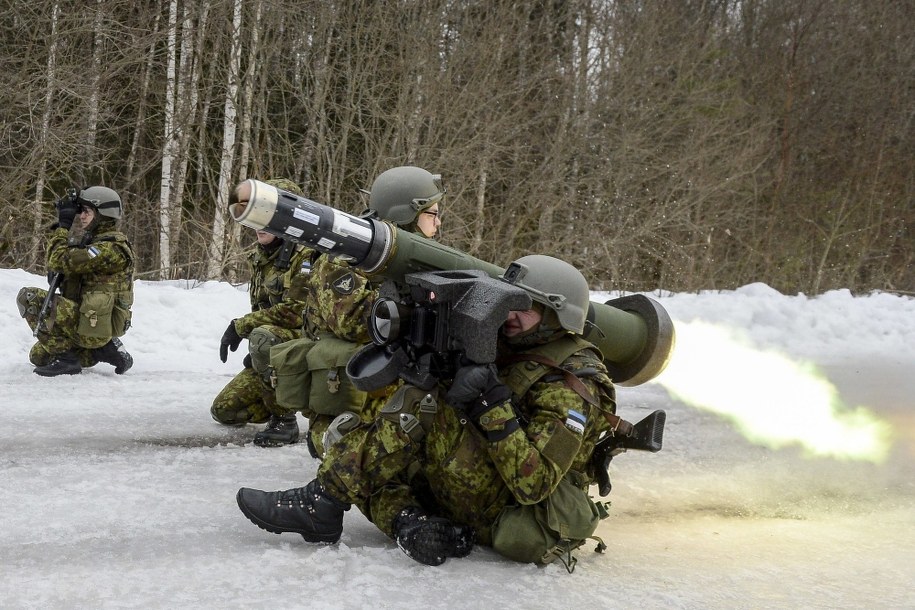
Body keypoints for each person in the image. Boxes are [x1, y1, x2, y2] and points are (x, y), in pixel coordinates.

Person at [236, 254, 619, 569]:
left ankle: (324, 499)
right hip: (477, 482)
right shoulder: (513, 342)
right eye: (510, 302)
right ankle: (407, 522)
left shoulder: (573, 384)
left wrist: (489, 403)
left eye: (527, 308)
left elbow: (533, 485)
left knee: (422, 407)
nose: (510, 315)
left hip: (513, 504)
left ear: (556, 316)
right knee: (365, 451)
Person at [248, 165, 445, 451]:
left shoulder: (419, 260)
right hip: (350, 396)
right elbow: (353, 324)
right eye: (432, 214)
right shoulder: (346, 258)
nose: (438, 223)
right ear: (407, 214)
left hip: (397, 387)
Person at [210, 178, 312, 438]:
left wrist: (243, 328)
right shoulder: (262, 255)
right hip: (279, 347)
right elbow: (264, 308)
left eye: (268, 215)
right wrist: (260, 359)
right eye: (257, 215)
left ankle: (284, 420)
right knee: (224, 411)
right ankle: (278, 391)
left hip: (309, 347)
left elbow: (295, 312)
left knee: (263, 338)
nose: (258, 224)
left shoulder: (307, 256)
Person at [17, 186, 135, 377]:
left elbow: (57, 259)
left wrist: (63, 227)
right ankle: (103, 350)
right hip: (85, 320)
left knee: (28, 298)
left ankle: (69, 361)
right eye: (80, 211)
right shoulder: (93, 243)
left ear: (102, 214)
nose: (81, 216)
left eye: (87, 211)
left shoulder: (109, 249)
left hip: (93, 324)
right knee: (38, 356)